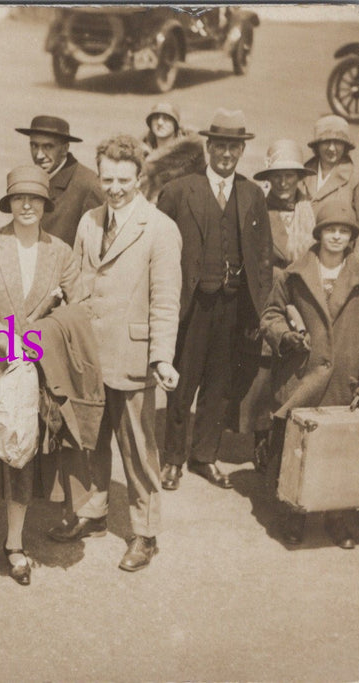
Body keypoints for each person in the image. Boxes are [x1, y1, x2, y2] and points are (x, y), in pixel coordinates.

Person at [47, 134, 182, 572]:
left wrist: (161, 357)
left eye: (124, 179)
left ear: (140, 177)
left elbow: (165, 299)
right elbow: (82, 282)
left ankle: (145, 533)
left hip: (134, 355)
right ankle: (92, 511)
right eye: (108, 179)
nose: (115, 187)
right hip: (90, 351)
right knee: (88, 438)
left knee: (138, 447)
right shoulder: (89, 221)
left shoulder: (160, 228)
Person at [0, 165, 79, 585]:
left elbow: (81, 307)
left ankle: (16, 545)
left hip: (32, 374)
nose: (27, 205)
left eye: (35, 199)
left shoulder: (60, 252)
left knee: (21, 458)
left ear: (45, 205)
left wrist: (48, 325)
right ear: (9, 203)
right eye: (19, 198)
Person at [156, 109, 273, 491]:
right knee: (181, 381)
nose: (226, 153)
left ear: (242, 150)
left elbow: (262, 258)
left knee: (219, 384)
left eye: (233, 146)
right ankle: (172, 458)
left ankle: (203, 456)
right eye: (220, 145)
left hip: (234, 306)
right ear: (208, 146)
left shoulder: (253, 194)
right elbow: (160, 250)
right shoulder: (178, 191)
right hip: (192, 302)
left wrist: (259, 308)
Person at [260, 204, 359, 548]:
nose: (336, 236)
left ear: (352, 238)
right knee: (297, 448)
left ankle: (338, 517)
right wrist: (285, 336)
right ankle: (294, 514)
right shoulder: (292, 275)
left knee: (338, 450)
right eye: (330, 229)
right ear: (318, 233)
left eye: (344, 231)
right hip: (302, 375)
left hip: (343, 379)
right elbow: (271, 316)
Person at [243, 140, 317, 470]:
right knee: (264, 368)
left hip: (302, 299)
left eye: (290, 175)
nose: (284, 183)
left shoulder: (309, 211)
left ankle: (287, 438)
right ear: (269, 179)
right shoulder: (259, 209)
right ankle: (261, 438)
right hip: (268, 296)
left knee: (296, 366)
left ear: (299, 178)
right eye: (278, 176)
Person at [14, 114, 104, 247]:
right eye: (34, 146)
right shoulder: (32, 179)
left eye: (48, 147)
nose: (39, 155)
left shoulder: (88, 185)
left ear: (65, 149)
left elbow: (95, 249)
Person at [300, 115, 359, 261]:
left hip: (338, 257)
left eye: (337, 142)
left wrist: (354, 265)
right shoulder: (303, 173)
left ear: (346, 146)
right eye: (326, 142)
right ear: (317, 145)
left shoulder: (356, 178)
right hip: (304, 255)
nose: (331, 148)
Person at [140, 103, 204, 203]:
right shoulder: (141, 150)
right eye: (156, 118)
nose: (160, 123)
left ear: (175, 124)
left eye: (166, 118)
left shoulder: (189, 150)